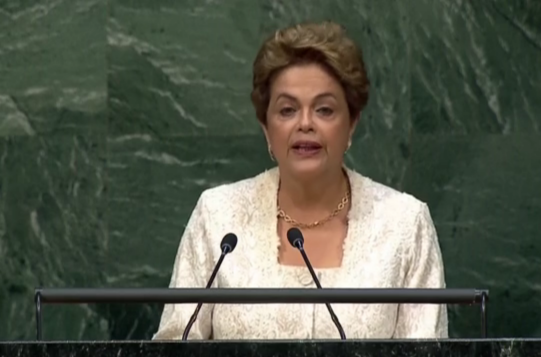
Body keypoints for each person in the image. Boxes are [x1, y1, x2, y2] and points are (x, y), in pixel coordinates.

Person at [153, 21, 448, 340]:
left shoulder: (405, 225)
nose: (305, 124)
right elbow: (175, 344)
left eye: (324, 110)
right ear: (266, 128)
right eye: (287, 110)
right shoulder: (218, 217)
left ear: (351, 124)